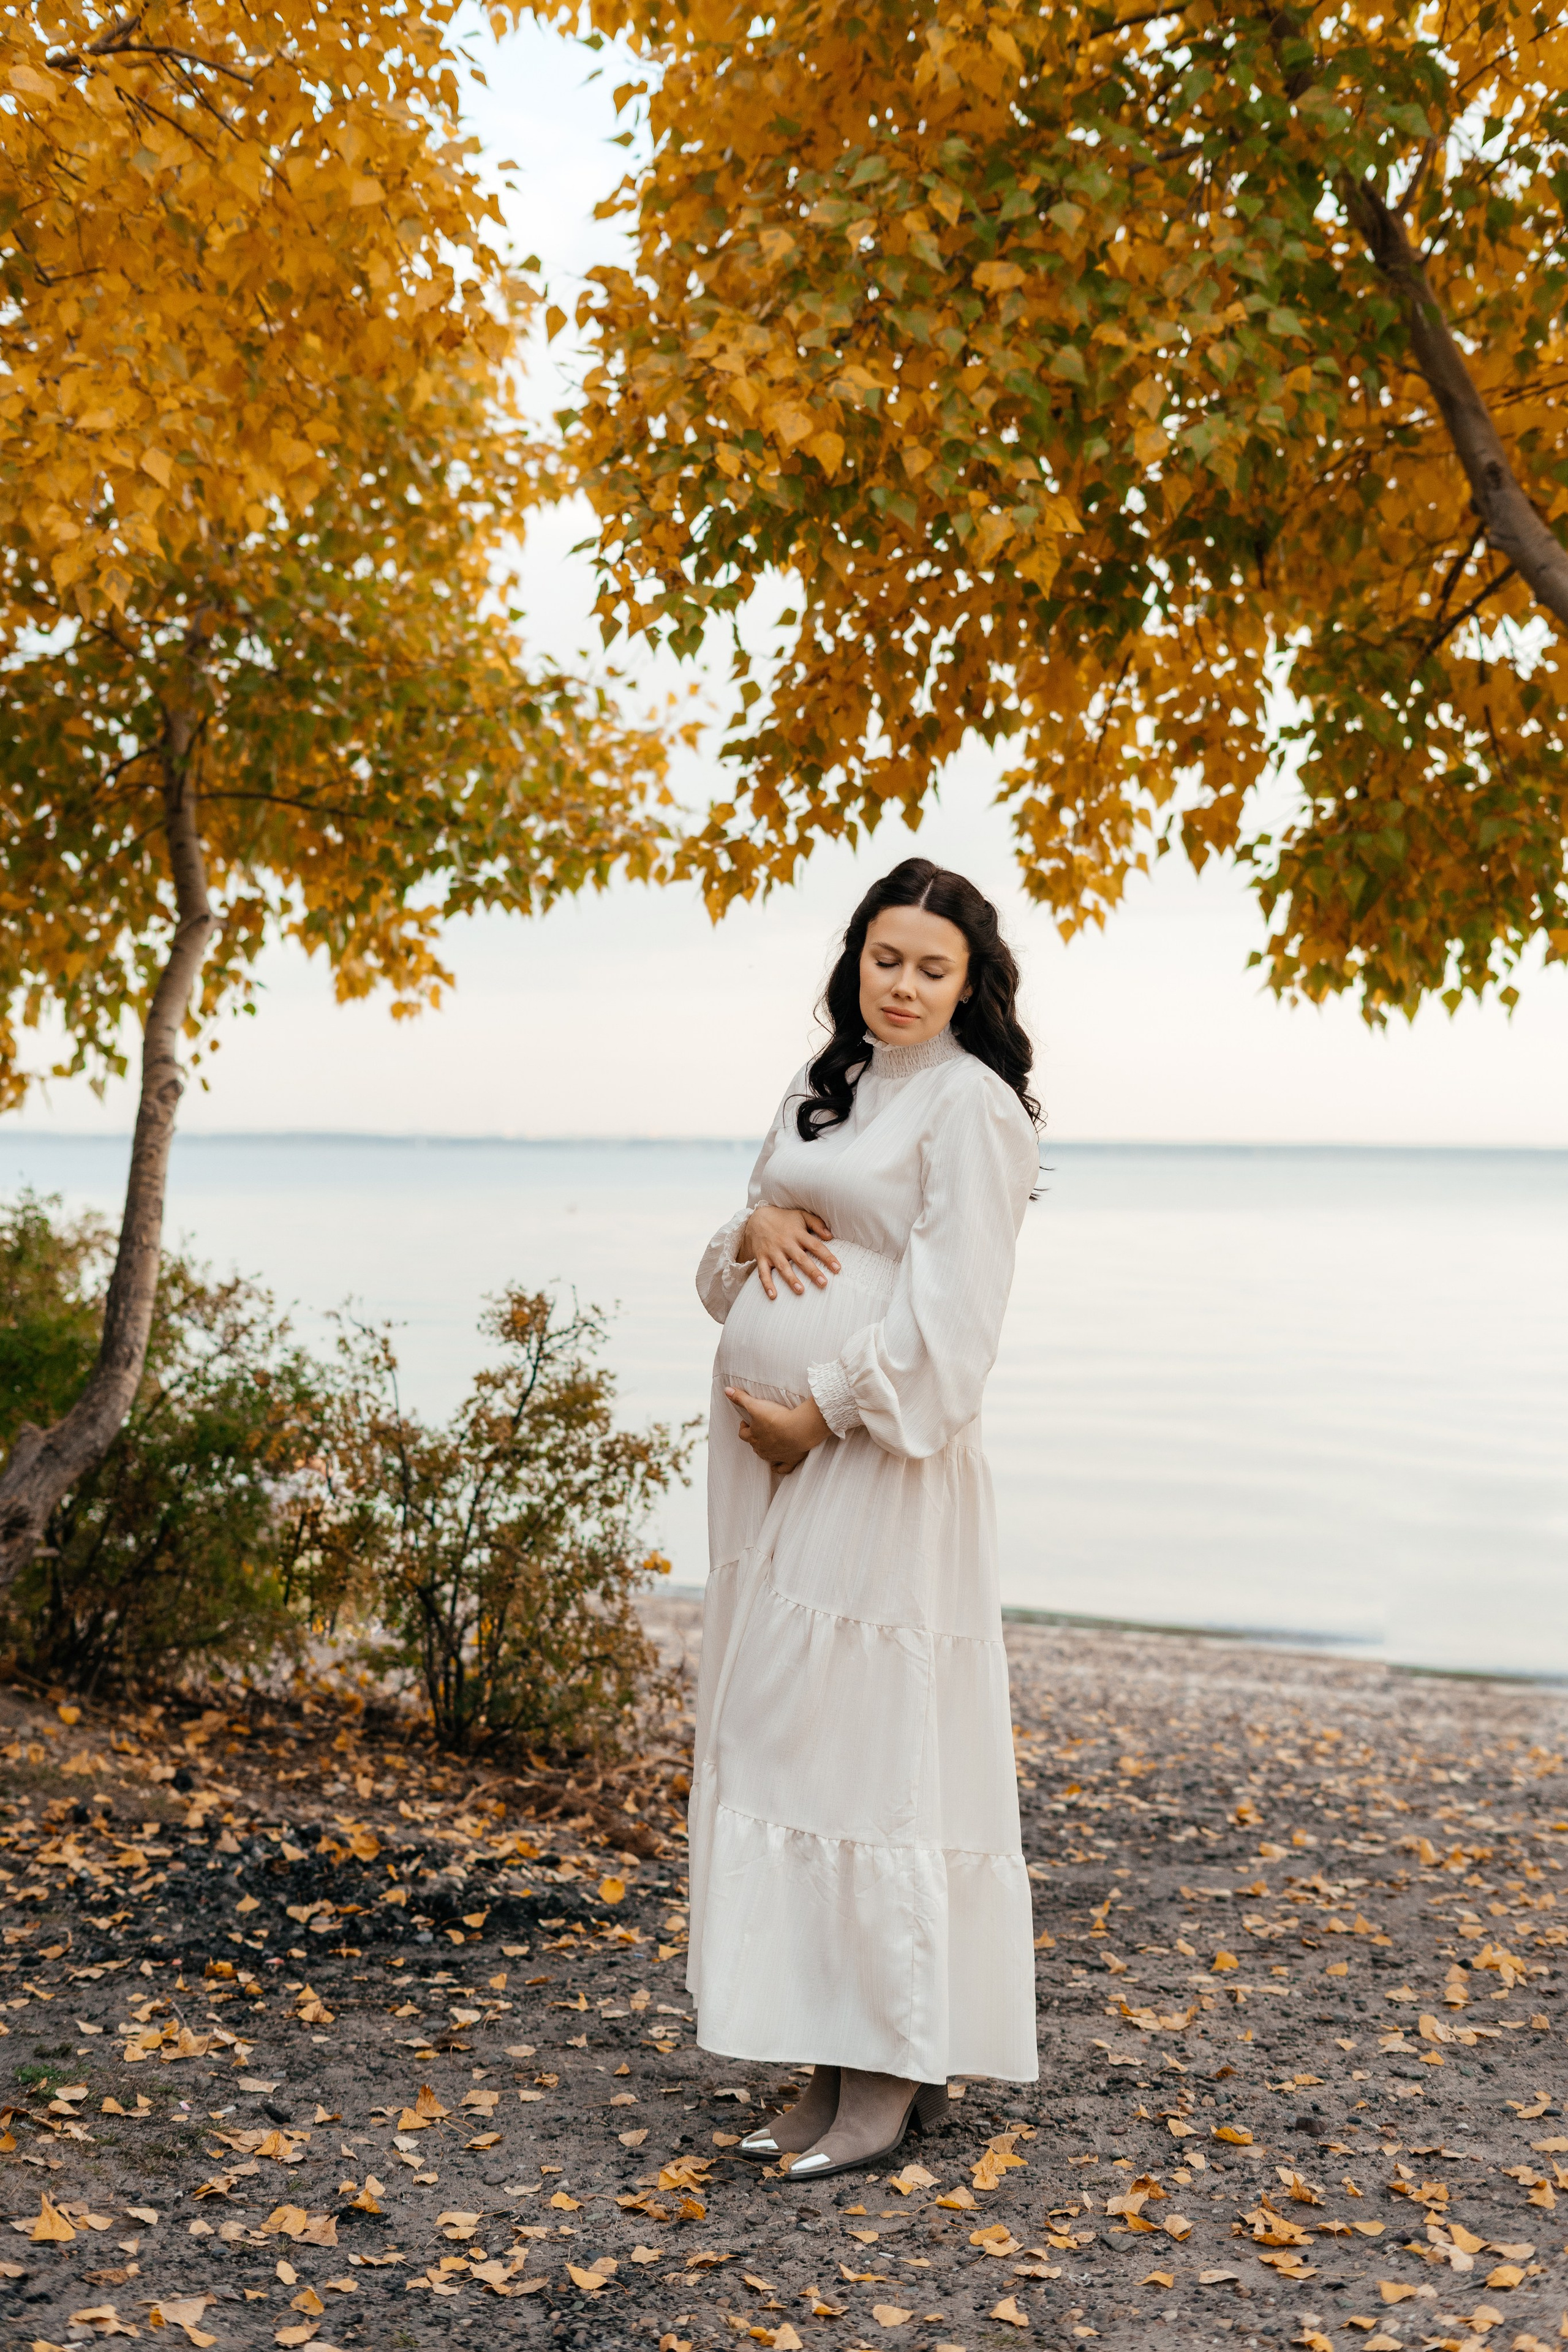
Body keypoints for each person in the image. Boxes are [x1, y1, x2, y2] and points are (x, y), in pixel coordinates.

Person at [688, 856, 1042, 2179]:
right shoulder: (819, 1085)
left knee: (867, 1753)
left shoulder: (973, 1107)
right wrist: (753, 1226)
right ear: (855, 962)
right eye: (884, 959)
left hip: (879, 1458)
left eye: (931, 968)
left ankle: (889, 2072)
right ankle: (833, 2058)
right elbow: (722, 1275)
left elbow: (956, 1328)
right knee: (785, 1746)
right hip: (768, 1475)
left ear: (969, 983)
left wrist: (821, 1410)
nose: (901, 985)